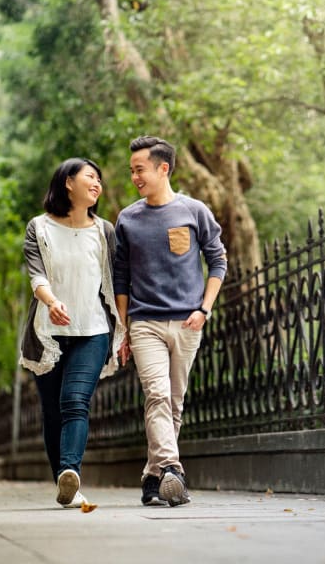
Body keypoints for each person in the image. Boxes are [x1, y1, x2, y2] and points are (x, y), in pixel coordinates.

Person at [113, 136, 227, 507]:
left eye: (139, 169)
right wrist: (124, 328)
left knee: (173, 403)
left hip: (188, 323)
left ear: (163, 168)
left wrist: (204, 309)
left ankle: (152, 476)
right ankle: (173, 469)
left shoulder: (194, 212)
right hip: (145, 322)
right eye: (131, 171)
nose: (134, 177)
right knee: (157, 395)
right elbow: (120, 277)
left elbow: (218, 261)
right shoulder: (128, 219)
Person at [19, 157, 126, 509]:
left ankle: (71, 471)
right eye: (90, 177)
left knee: (75, 402)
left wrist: (123, 331)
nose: (97, 184)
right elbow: (37, 276)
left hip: (92, 330)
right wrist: (51, 302)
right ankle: (65, 484)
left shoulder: (104, 231)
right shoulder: (39, 228)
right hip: (47, 332)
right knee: (52, 411)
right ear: (68, 182)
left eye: (99, 179)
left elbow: (117, 284)